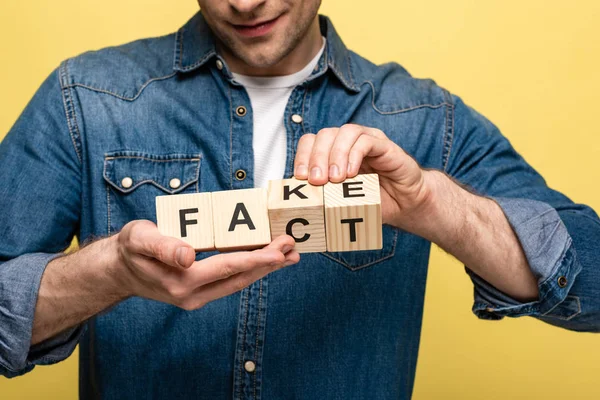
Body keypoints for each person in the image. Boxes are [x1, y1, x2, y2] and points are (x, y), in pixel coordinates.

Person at [1, 0, 598, 398]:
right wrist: (107, 272)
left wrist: (434, 205)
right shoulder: (85, 97)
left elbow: (591, 284)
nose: (246, 2)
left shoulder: (424, 120)